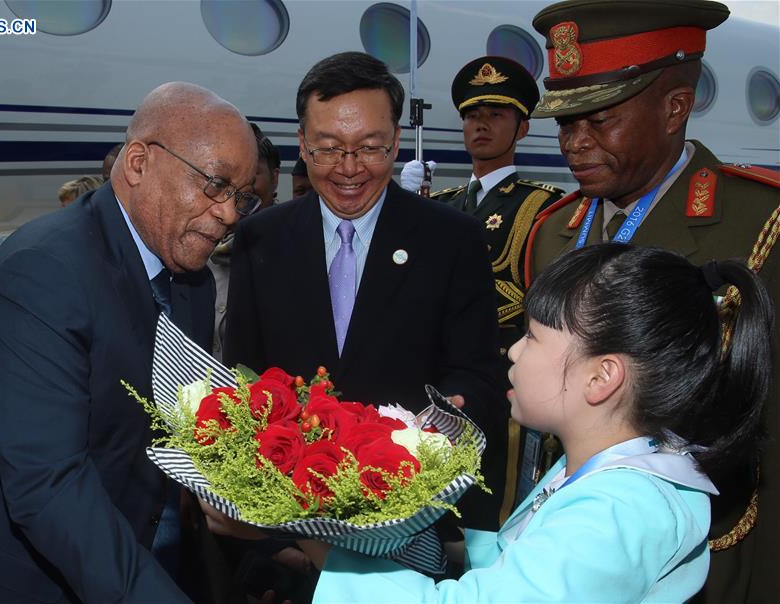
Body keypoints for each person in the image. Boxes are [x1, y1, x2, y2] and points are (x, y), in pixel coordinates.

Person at [0, 82, 259, 603]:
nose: (229, 214)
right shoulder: (46, 269)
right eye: (216, 184)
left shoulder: (190, 282)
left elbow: (179, 433)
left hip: (113, 556)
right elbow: (49, 486)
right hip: (7, 579)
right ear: (138, 163)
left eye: (242, 197)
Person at [273, 244, 771, 602]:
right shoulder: (604, 471)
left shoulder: (617, 510)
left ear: (601, 378)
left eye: (532, 336)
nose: (512, 350)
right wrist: (429, 538)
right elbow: (529, 565)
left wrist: (320, 544)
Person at [523, 1, 779, 600]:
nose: (575, 144)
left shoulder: (758, 227)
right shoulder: (553, 233)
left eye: (600, 120)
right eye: (566, 122)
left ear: (674, 108)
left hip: (710, 551)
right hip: (571, 547)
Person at [225, 51, 505, 531]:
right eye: (329, 147)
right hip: (287, 516)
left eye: (370, 147)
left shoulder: (451, 240)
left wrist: (441, 430)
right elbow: (242, 381)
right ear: (303, 143)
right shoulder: (260, 239)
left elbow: (478, 379)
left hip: (411, 511)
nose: (349, 168)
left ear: (396, 143)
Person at [404, 56, 565, 522]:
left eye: (496, 115)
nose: (481, 125)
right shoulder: (444, 204)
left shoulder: (540, 207)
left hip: (499, 385)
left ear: (522, 128)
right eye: (473, 115)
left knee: (488, 516)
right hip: (434, 383)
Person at [209, 122, 275, 362]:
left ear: (275, 177)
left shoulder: (295, 253)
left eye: (250, 178)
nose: (238, 193)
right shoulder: (200, 252)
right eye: (224, 182)